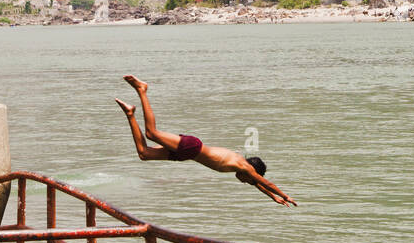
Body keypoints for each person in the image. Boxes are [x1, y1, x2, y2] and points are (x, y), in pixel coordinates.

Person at [114, 75, 297, 206]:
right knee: (152, 133)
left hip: (188, 154)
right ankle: (142, 90)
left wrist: (272, 198)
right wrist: (284, 195)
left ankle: (130, 113)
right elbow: (266, 183)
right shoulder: (243, 167)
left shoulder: (240, 165)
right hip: (192, 147)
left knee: (144, 154)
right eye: (247, 179)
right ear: (252, 170)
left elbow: (257, 184)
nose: (244, 182)